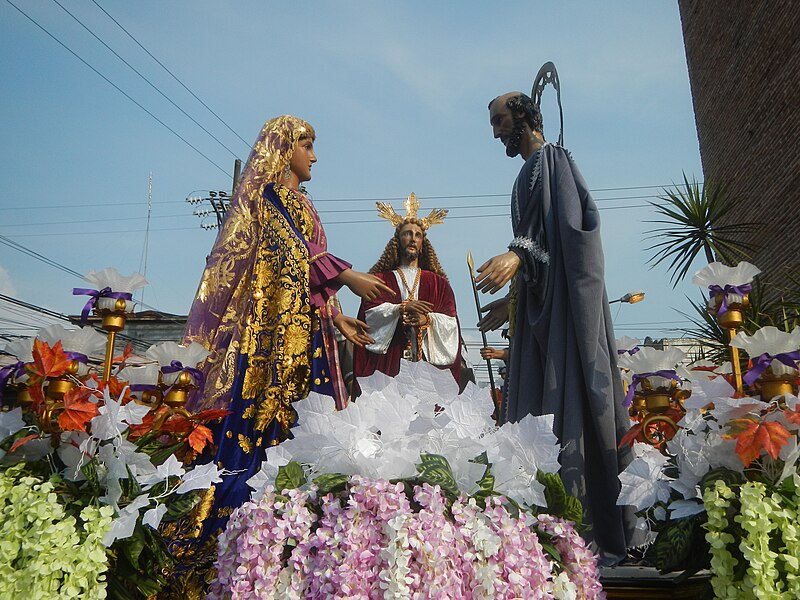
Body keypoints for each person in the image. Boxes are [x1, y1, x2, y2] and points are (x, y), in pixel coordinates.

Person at [172, 115, 393, 587]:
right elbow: (291, 254)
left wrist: (335, 315)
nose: (314, 156)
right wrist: (346, 275)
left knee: (314, 424)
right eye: (307, 146)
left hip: (310, 329)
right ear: (283, 148)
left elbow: (306, 266)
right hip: (275, 340)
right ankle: (245, 543)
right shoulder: (269, 197)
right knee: (273, 425)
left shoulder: (304, 203)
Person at [475, 92, 633, 564]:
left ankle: (580, 527)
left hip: (565, 315)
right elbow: (541, 255)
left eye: (500, 121)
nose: (496, 132)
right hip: (539, 316)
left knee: (567, 407)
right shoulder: (525, 175)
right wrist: (512, 300)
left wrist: (518, 254)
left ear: (522, 116)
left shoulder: (554, 161)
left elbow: (570, 231)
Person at [352, 194, 461, 386]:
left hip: (426, 366)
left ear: (422, 243)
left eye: (417, 235)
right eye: (407, 234)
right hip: (389, 363)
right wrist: (400, 309)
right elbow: (368, 317)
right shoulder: (380, 281)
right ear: (398, 240)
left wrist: (426, 320)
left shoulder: (439, 284)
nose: (412, 239)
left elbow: (451, 324)